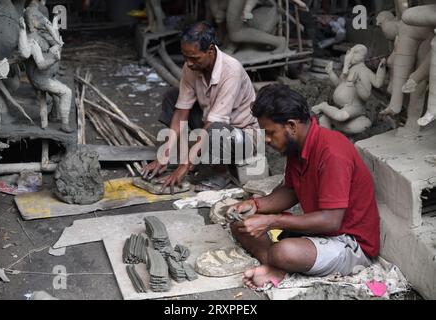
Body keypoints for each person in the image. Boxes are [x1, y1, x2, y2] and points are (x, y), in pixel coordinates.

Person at [228, 84, 380, 289]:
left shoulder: (332, 152)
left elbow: (331, 222)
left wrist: (271, 221)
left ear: (291, 126)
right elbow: (290, 191)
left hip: (350, 244)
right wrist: (255, 205)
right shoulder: (297, 147)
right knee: (240, 226)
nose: (267, 139)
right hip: (320, 235)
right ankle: (275, 266)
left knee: (284, 251)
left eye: (270, 132)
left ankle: (276, 263)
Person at [142, 21, 259, 192]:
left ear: (210, 51)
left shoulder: (231, 71)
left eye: (194, 58)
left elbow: (212, 125)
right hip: (211, 127)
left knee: (216, 128)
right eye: (185, 57)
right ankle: (186, 156)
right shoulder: (191, 67)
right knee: (172, 97)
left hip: (243, 138)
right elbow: (181, 112)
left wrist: (185, 166)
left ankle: (222, 173)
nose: (188, 63)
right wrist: (164, 154)